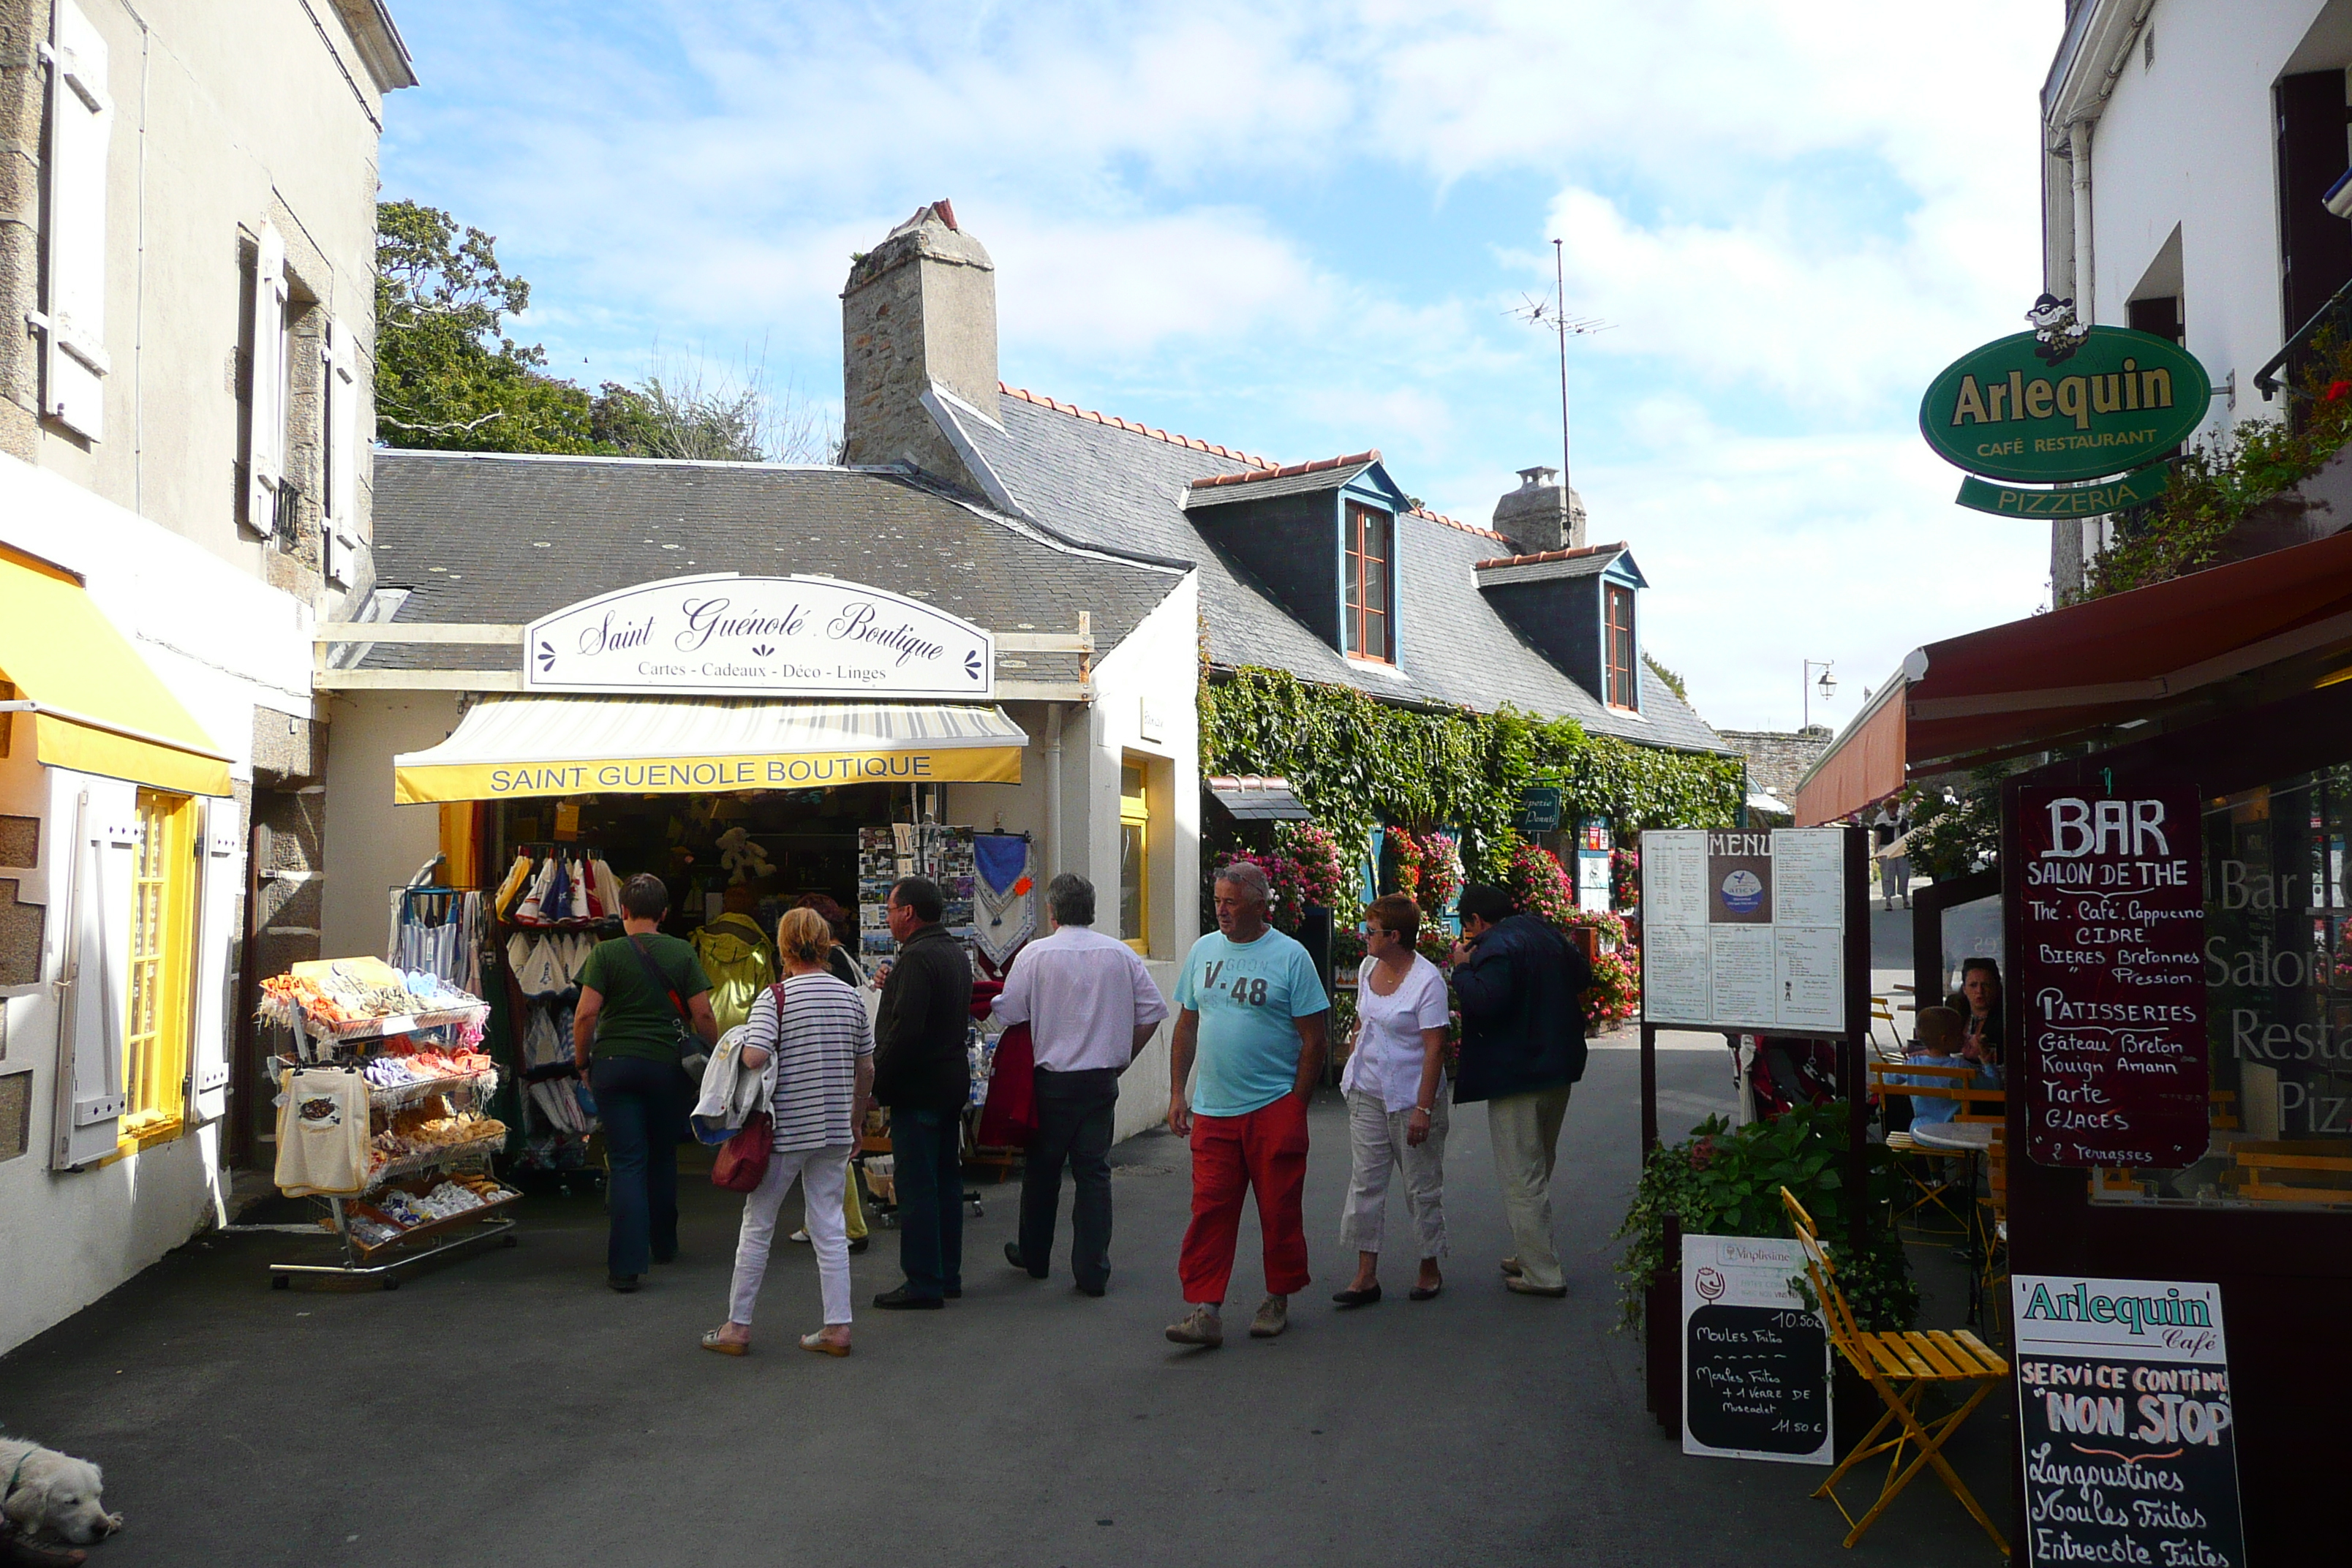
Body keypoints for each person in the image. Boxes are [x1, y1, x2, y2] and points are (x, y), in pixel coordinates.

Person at [1164, 862, 1329, 1349]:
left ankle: (1277, 1297)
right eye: (1217, 900)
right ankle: (1206, 1310)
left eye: (1231, 901)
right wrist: (1178, 1092)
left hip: (1273, 1105)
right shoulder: (1203, 951)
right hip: (1214, 1109)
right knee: (1210, 1209)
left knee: (1279, 1210)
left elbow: (1315, 1040)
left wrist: (1295, 1104)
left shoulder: (1290, 957)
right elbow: (1187, 1026)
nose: (1222, 910)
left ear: (1260, 905)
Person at [703, 908, 875, 1358]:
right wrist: (856, 1121)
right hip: (835, 1129)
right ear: (826, 945)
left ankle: (736, 1327)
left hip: (784, 1131)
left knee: (758, 1226)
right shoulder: (851, 998)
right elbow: (866, 1068)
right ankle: (838, 1327)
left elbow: (756, 1056)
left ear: (782, 947)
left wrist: (732, 1052)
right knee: (830, 1227)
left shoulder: (776, 998)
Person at [992, 872, 1169, 1297]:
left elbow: (1009, 1013)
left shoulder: (1035, 955)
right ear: (1091, 909)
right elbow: (1153, 1011)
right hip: (1100, 1080)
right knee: (1094, 1174)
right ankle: (1092, 1270)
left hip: (1052, 1081)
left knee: (1042, 1172)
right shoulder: (1120, 954)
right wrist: (1122, 1058)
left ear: (1051, 912)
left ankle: (1035, 1256)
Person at [572, 872, 719, 1292]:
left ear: (624, 912)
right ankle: (665, 1243)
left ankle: (625, 1266)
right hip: (666, 1067)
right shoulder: (681, 952)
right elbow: (703, 1014)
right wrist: (715, 1056)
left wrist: (584, 1061)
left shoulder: (605, 955)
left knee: (625, 1162)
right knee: (661, 1156)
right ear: (665, 914)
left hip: (615, 1067)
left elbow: (585, 1015)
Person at [1448, 883, 1590, 1299]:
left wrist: (1461, 968)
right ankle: (1530, 1251)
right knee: (1540, 1163)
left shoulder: (1492, 947)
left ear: (1476, 920)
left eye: (1466, 924)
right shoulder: (1542, 930)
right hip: (1558, 1065)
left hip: (1516, 1073)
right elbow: (1584, 975)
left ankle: (1542, 1273)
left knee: (1521, 1174)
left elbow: (1485, 1001)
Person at [1333, 893, 1451, 1308]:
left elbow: (1435, 1048)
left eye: (1371, 931)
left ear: (1395, 936)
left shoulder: (1427, 981)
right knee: (1366, 1181)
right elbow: (1364, 1021)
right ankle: (1366, 1275)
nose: (1363, 937)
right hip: (1368, 1092)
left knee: (1420, 1186)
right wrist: (1352, 1057)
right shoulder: (1368, 967)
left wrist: (1424, 1109)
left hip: (1410, 1099)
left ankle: (1429, 1265)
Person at [869, 875, 974, 1310]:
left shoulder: (916, 959)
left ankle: (923, 1281)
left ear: (908, 913)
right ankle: (947, 1273)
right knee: (946, 1181)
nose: (889, 919)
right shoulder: (952, 953)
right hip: (949, 1081)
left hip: (920, 1087)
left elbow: (904, 1032)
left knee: (916, 1186)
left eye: (891, 910)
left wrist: (876, 1083)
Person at [783, 892, 872, 1256]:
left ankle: (852, 1224)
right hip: (845, 1058)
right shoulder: (844, 956)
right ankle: (817, 1222)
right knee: (827, 1150)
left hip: (825, 1062)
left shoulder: (829, 962)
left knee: (830, 1153)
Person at [1945, 957, 2004, 1082]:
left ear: (1997, 987)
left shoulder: (2006, 1016)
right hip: (1955, 1082)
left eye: (1986, 985)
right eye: (1973, 985)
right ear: (1964, 989)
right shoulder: (1954, 1009)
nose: (1979, 991)